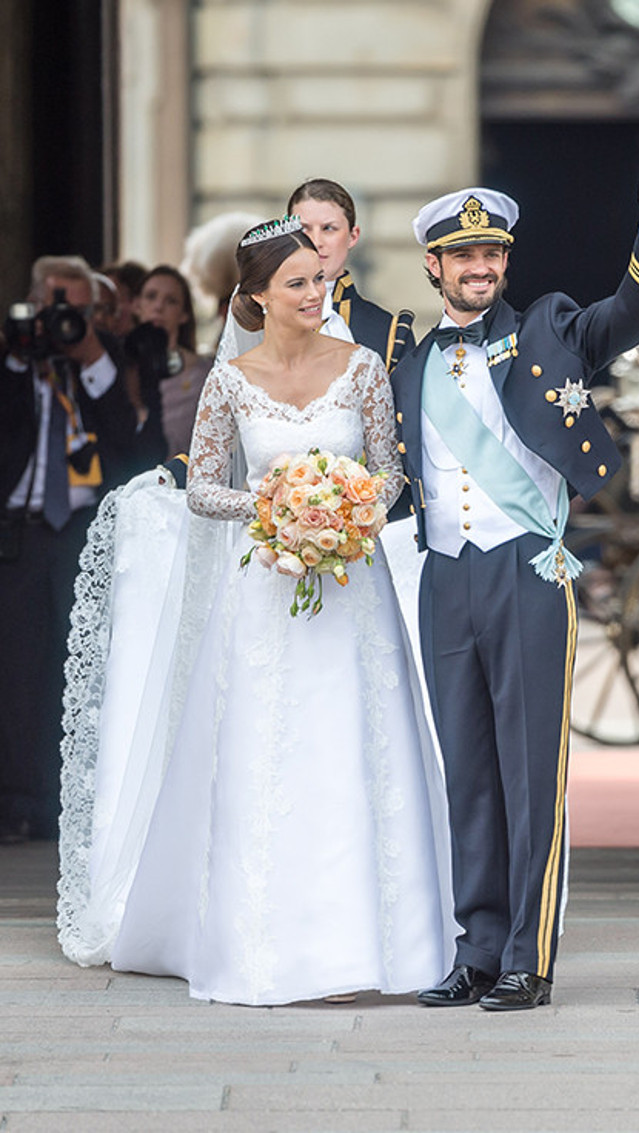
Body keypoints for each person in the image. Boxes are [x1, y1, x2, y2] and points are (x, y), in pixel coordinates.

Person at [57, 217, 454, 1006]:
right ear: (257, 298)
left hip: (352, 589)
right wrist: (273, 508)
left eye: (320, 277)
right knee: (265, 747)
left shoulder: (366, 368)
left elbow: (392, 476)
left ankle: (381, 941)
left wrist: (345, 510)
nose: (315, 293)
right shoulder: (232, 381)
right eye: (298, 282)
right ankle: (260, 942)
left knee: (354, 740)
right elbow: (203, 486)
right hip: (264, 585)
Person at [390, 148, 639, 1011]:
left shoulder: (551, 329)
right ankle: (476, 947)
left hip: (527, 570)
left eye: (492, 254)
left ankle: (526, 960)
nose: (480, 267)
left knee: (531, 770)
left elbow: (633, 309)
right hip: (444, 576)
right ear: (435, 267)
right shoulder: (410, 364)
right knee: (466, 770)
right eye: (463, 256)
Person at [0, 255, 137, 842]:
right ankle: (15, 800)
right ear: (32, 301)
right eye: (56, 305)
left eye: (77, 310)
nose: (65, 319)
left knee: (77, 667)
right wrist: (16, 354)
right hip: (18, 534)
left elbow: (132, 442)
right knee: (16, 669)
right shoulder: (11, 361)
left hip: (80, 533)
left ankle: (66, 802)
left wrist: (89, 357)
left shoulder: (104, 360)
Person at [287, 178, 414, 370]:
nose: (315, 241)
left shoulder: (389, 331)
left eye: (328, 228)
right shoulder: (262, 317)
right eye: (303, 229)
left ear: (353, 236)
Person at [125, 264, 213, 464]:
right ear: (136, 305)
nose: (158, 307)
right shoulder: (122, 364)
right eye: (151, 296)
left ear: (184, 314)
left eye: (171, 301)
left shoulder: (204, 374)